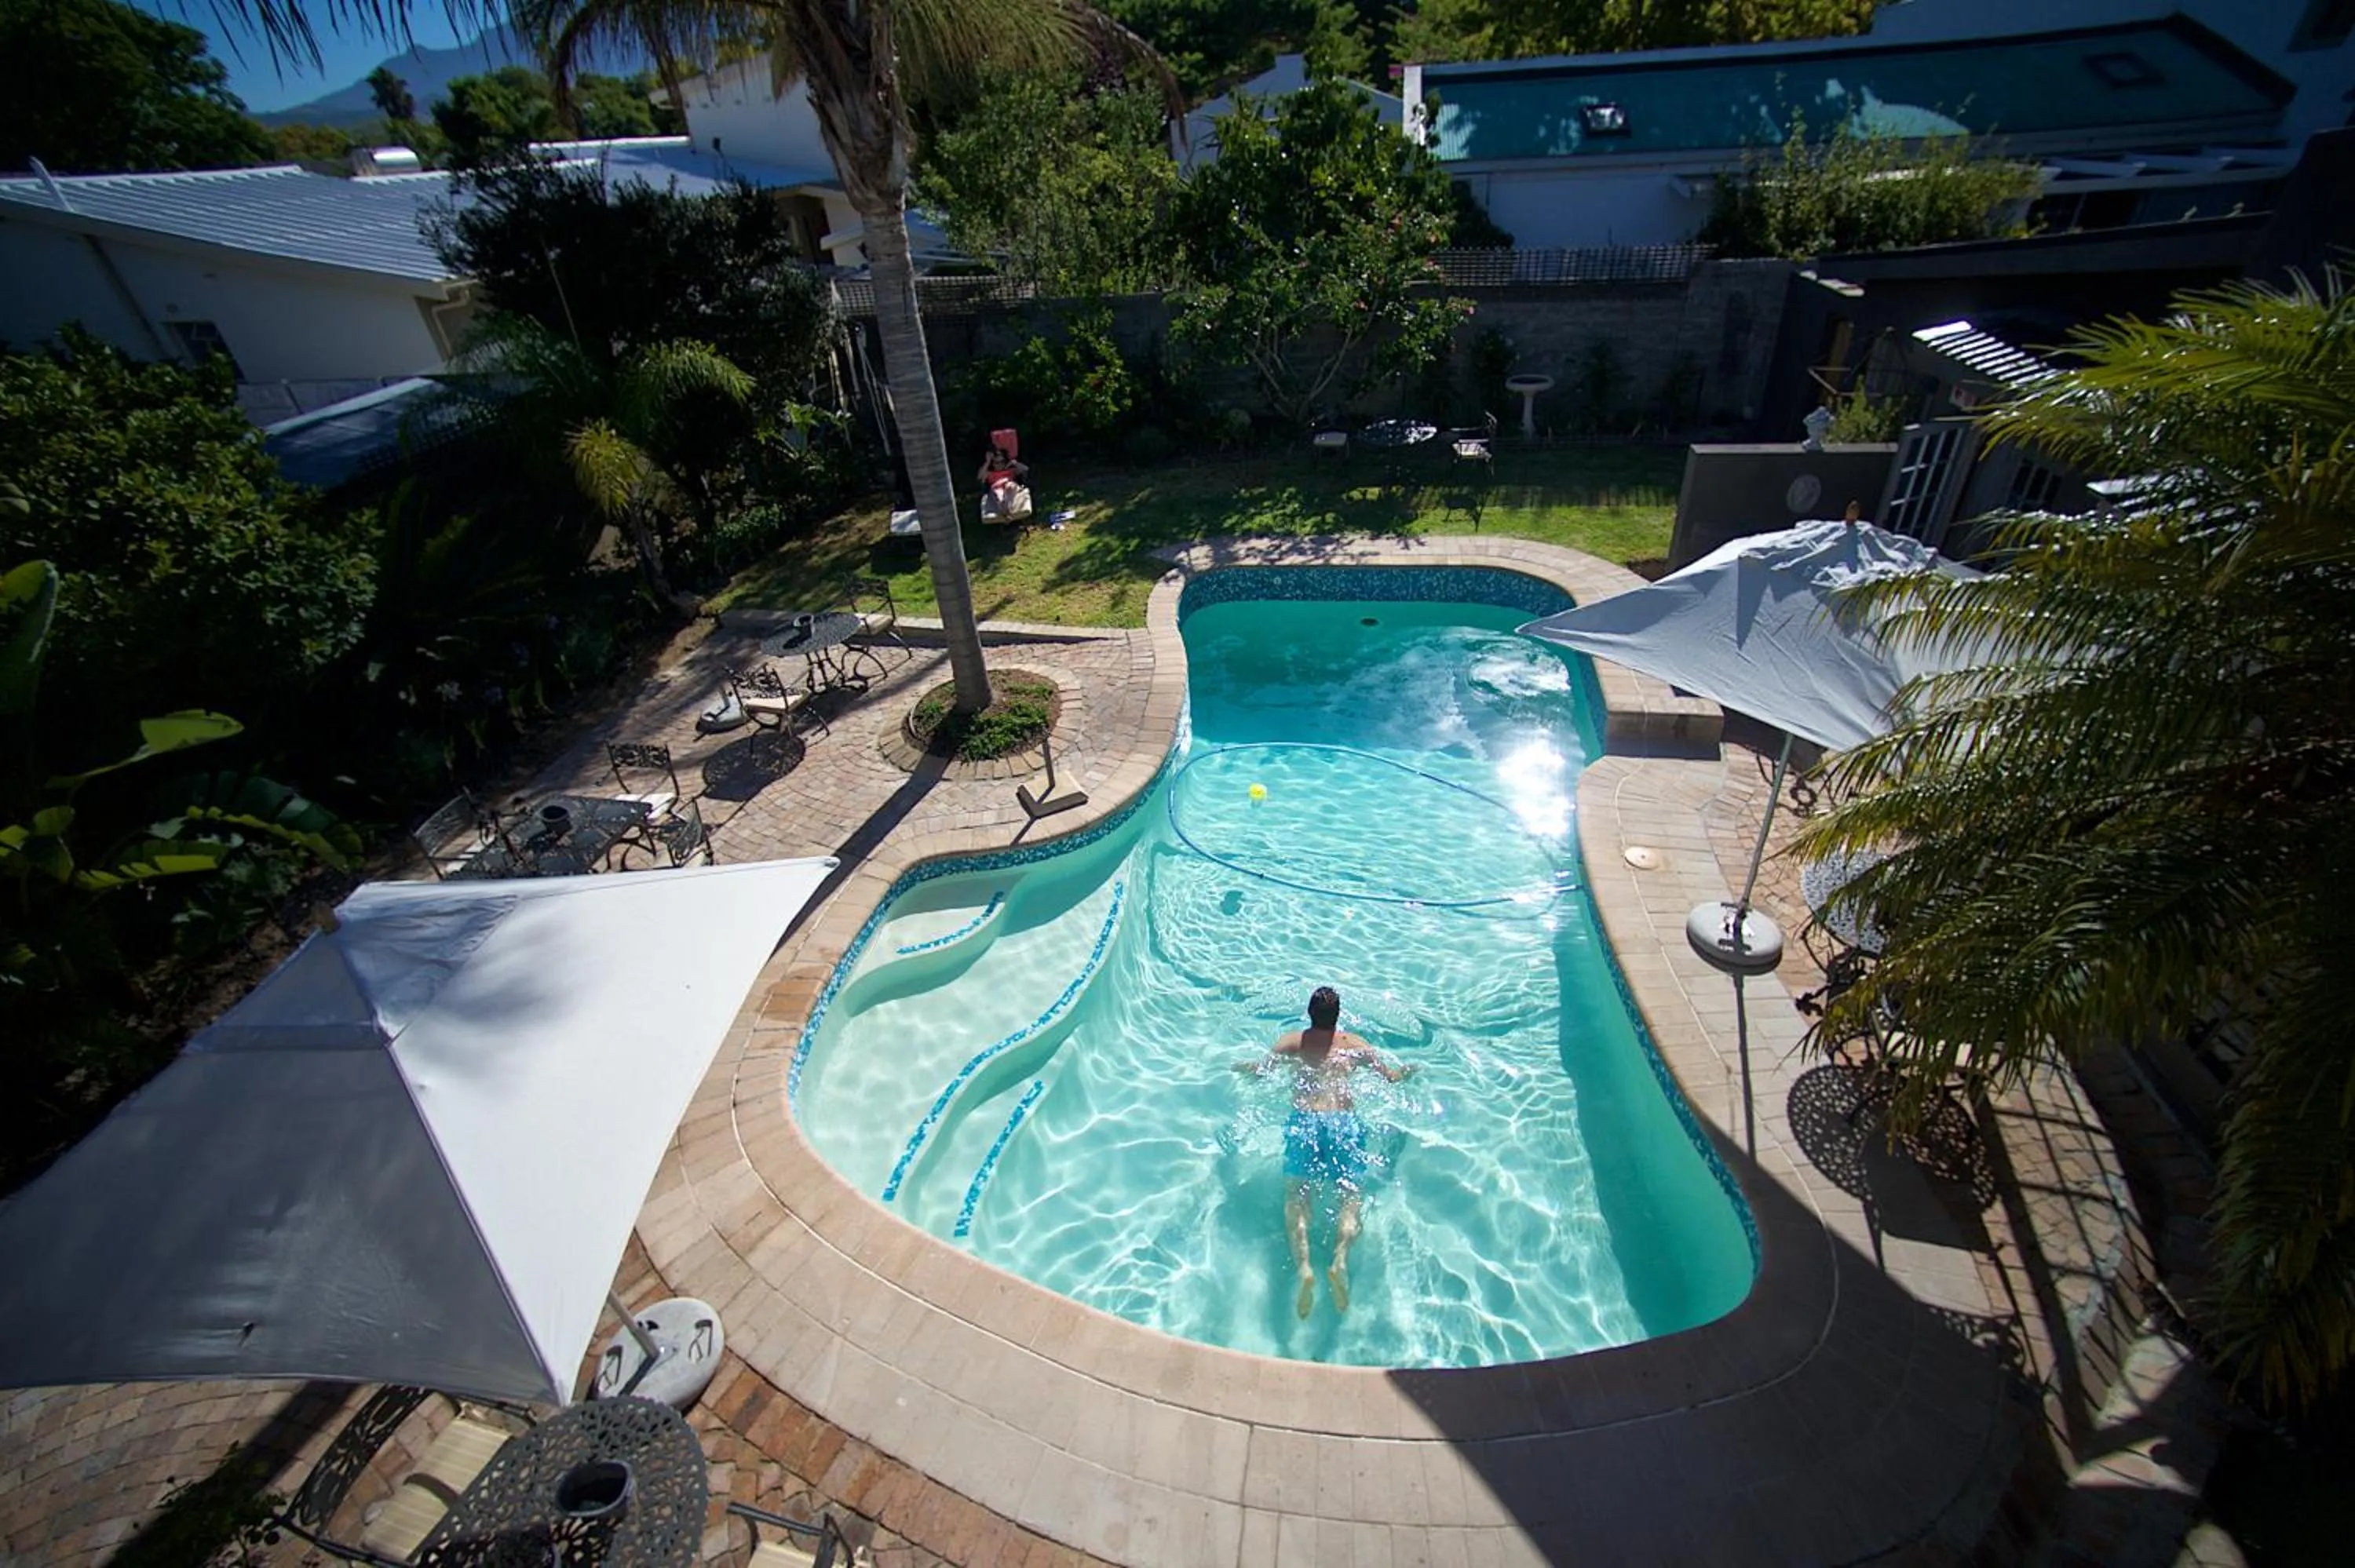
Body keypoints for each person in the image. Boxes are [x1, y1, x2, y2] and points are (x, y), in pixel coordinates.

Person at [1236, 986, 1415, 1318]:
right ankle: (1339, 1260)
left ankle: (1304, 1267)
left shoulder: (1291, 1043)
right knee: (1350, 1195)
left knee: (1297, 1194)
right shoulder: (1356, 1046)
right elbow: (1390, 1078)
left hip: (1305, 1121)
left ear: (1309, 1013)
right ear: (1338, 1017)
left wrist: (1237, 1067)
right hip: (1343, 1123)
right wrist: (1409, 1073)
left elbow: (1261, 1072)